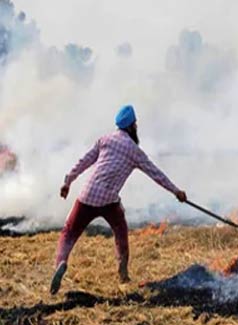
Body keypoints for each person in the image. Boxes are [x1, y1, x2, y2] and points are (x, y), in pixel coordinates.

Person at [51, 105, 187, 295]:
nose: (136, 128)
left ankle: (61, 263)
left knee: (68, 232)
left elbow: (84, 161)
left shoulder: (104, 140)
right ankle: (123, 274)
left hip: (87, 196)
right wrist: (176, 191)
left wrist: (68, 181)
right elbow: (156, 174)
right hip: (108, 201)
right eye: (135, 125)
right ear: (131, 126)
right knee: (121, 231)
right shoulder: (134, 151)